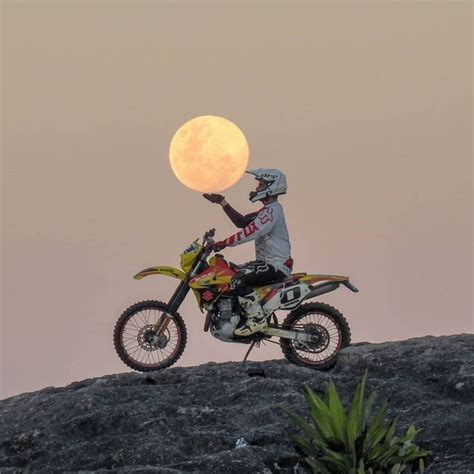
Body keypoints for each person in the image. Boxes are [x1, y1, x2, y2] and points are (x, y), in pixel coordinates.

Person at [203, 168, 293, 336]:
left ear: (271, 187)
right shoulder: (266, 211)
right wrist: (222, 202)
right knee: (230, 275)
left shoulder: (273, 211)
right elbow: (242, 222)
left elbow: (250, 232)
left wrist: (222, 244)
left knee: (237, 280)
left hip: (275, 265)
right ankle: (241, 315)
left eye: (260, 185)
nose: (257, 188)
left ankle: (257, 321)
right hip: (267, 263)